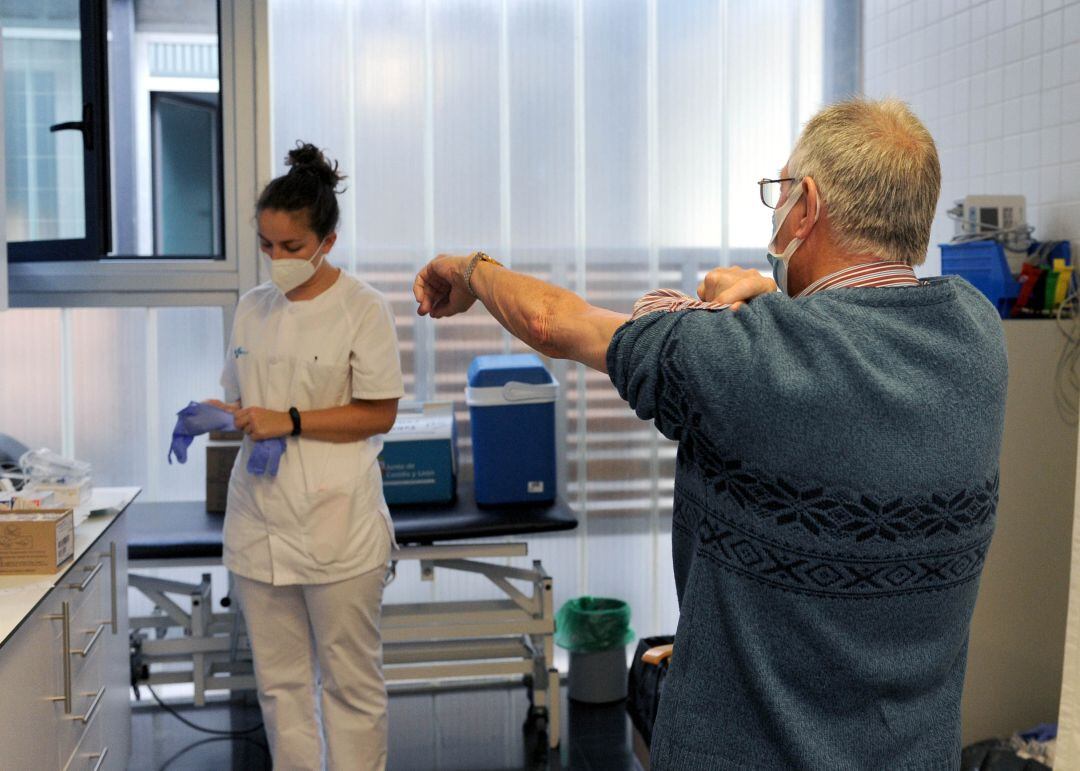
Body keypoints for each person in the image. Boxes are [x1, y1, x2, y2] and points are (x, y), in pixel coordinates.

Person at [413, 98, 1007, 769]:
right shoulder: (977, 335)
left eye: (780, 194)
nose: (776, 212)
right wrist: (775, 301)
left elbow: (555, 323)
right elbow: (850, 348)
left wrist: (469, 269)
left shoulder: (745, 358)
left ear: (806, 206)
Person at [209, 143, 403, 770]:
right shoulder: (251, 309)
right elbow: (241, 398)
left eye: (290, 247)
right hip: (259, 522)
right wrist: (213, 413)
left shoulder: (363, 309)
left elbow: (380, 413)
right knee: (280, 687)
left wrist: (289, 421)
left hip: (337, 525)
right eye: (266, 245)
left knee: (350, 686)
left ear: (327, 240)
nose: (276, 260)